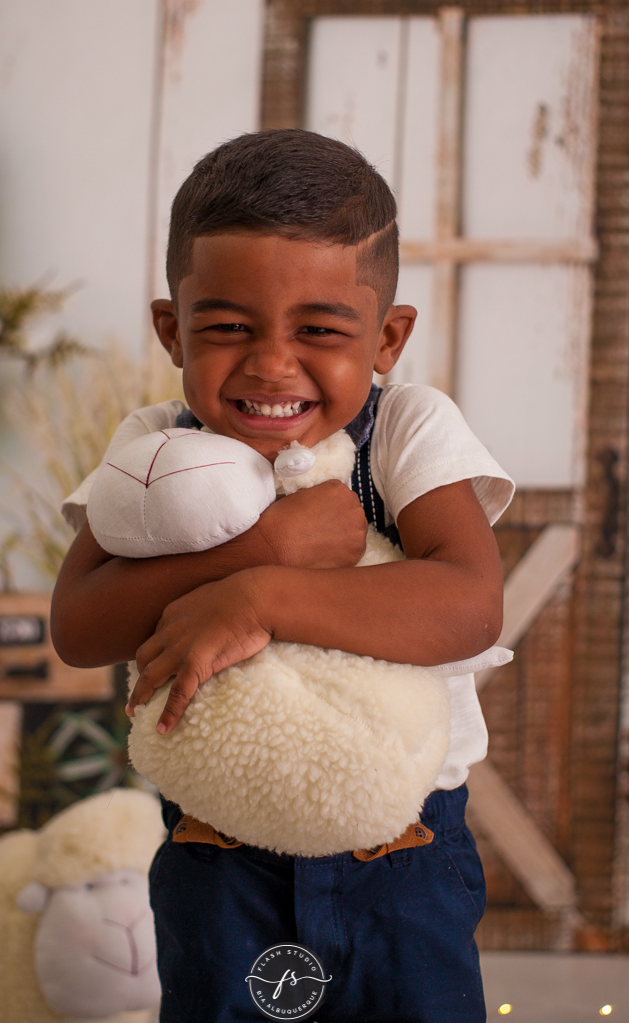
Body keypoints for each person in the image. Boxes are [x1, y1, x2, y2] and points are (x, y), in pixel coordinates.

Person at [51, 129, 514, 1023]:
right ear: (169, 329)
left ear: (386, 338)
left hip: (403, 856)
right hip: (220, 857)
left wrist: (256, 598)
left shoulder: (406, 432)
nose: (270, 362)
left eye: (319, 329)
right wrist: (259, 550)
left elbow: (467, 603)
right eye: (226, 327)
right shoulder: (154, 447)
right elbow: (80, 624)